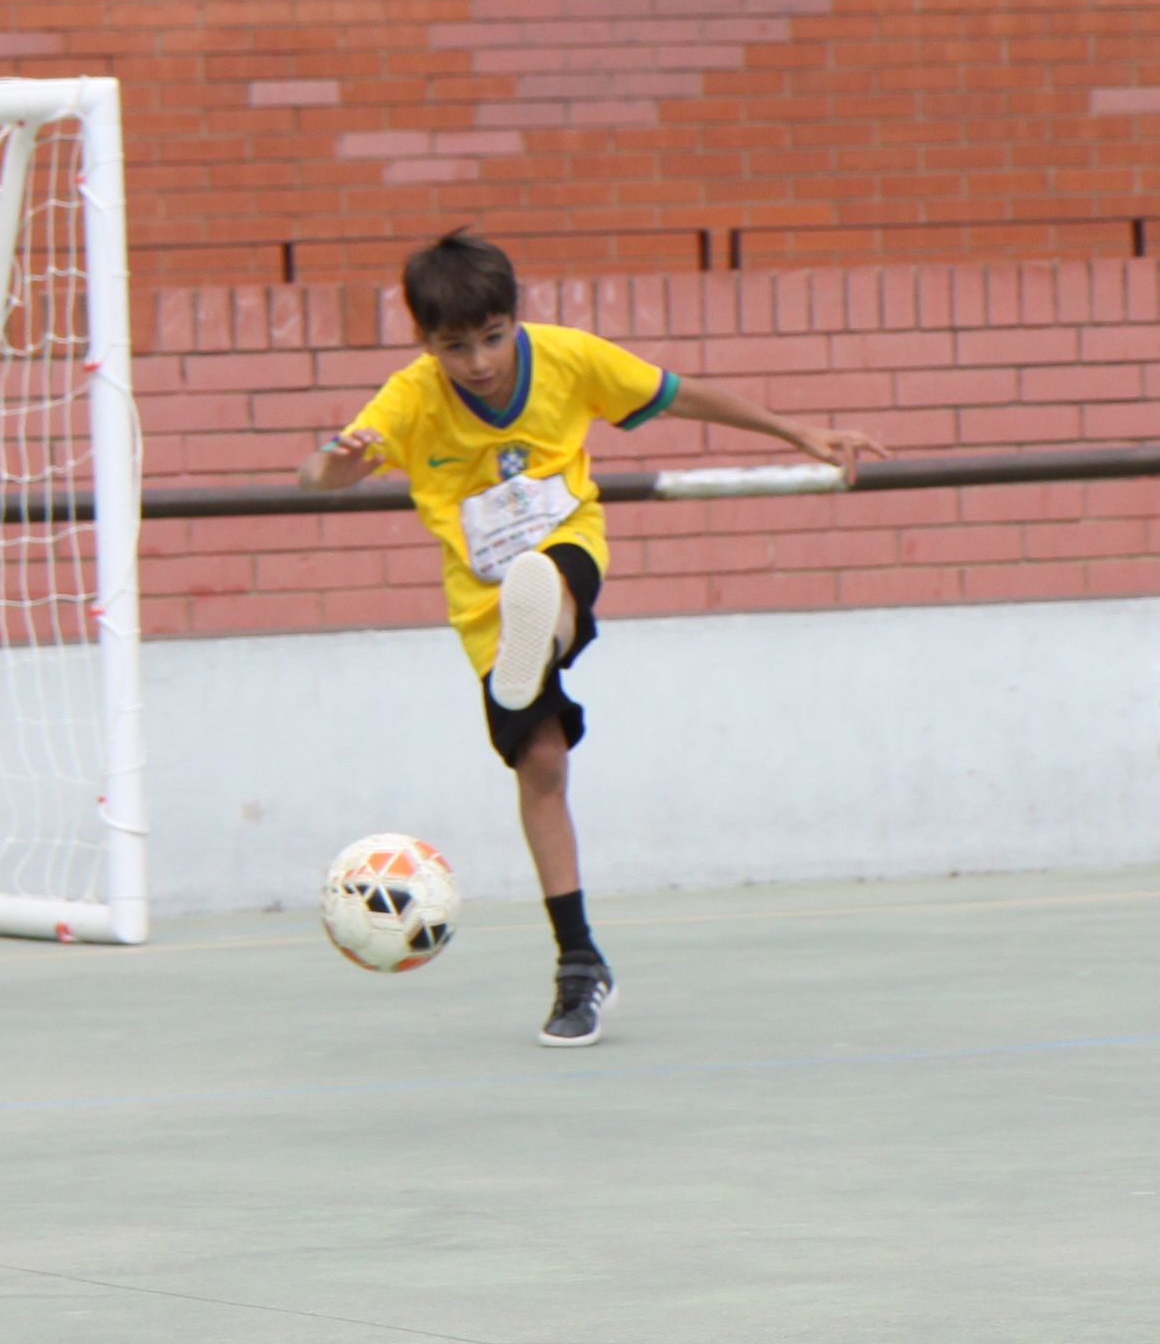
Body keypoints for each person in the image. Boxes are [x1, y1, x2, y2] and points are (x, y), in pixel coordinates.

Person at [298, 230, 872, 1046]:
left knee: (555, 580)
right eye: (454, 348)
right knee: (542, 763)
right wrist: (337, 461)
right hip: (482, 608)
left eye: (493, 338)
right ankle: (579, 961)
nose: (479, 363)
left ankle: (548, 625)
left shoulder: (569, 359)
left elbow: (683, 395)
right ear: (426, 344)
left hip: (567, 546)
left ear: (515, 321)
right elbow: (317, 475)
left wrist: (798, 432)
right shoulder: (412, 396)